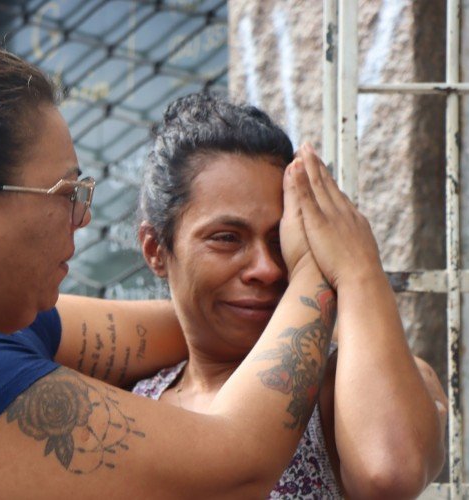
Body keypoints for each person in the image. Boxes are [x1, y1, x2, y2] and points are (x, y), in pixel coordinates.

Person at [0, 40, 371, 498]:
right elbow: (236, 463)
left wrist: (360, 351)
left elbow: (181, 329)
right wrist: (323, 261)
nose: (80, 219)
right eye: (66, 192)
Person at [133, 93, 448, 499]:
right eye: (227, 239)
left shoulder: (343, 389)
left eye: (281, 240)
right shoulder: (132, 402)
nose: (266, 268)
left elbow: (388, 472)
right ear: (156, 250)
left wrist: (357, 268)